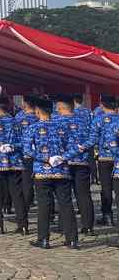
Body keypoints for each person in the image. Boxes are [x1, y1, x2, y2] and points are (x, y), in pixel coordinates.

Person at [26, 95, 79, 249]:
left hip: (42, 171)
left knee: (44, 205)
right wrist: (61, 158)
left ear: (37, 111)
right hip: (61, 170)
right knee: (66, 204)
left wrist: (46, 159)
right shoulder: (62, 127)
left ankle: (43, 239)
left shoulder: (32, 128)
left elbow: (28, 150)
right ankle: (72, 239)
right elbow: (74, 147)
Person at [0, 95, 27, 234]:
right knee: (17, 194)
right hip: (14, 161)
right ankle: (23, 224)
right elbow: (24, 142)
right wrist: (12, 146)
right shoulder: (15, 121)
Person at [54, 94, 95, 236]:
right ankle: (88, 226)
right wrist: (81, 149)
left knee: (64, 196)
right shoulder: (83, 121)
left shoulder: (56, 121)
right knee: (83, 194)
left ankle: (64, 226)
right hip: (82, 161)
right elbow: (91, 140)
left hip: (63, 162)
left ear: (60, 107)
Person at [91, 95, 118, 226]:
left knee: (106, 188)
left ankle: (108, 216)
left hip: (104, 157)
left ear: (102, 106)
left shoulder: (98, 120)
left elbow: (93, 139)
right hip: (118, 159)